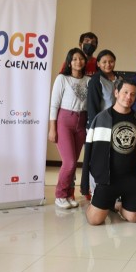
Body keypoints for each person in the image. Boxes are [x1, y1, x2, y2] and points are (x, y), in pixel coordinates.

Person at [80, 79, 136, 225]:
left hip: (132, 178)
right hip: (108, 179)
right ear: (116, 93)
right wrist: (90, 180)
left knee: (133, 219)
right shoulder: (101, 118)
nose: (128, 97)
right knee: (94, 221)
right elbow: (90, 152)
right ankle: (98, 204)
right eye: (125, 92)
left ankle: (118, 206)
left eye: (132, 94)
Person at [48, 48, 90, 209]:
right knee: (70, 162)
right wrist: (52, 128)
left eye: (81, 59)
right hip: (65, 120)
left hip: (82, 122)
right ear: (69, 62)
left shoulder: (88, 80)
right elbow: (54, 105)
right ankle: (60, 195)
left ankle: (69, 194)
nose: (78, 61)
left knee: (74, 161)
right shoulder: (62, 79)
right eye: (74, 59)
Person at [86, 49, 122, 128]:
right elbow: (92, 106)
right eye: (104, 62)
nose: (108, 64)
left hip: (118, 120)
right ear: (98, 64)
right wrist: (94, 127)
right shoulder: (95, 80)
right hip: (102, 122)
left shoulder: (120, 79)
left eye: (111, 61)